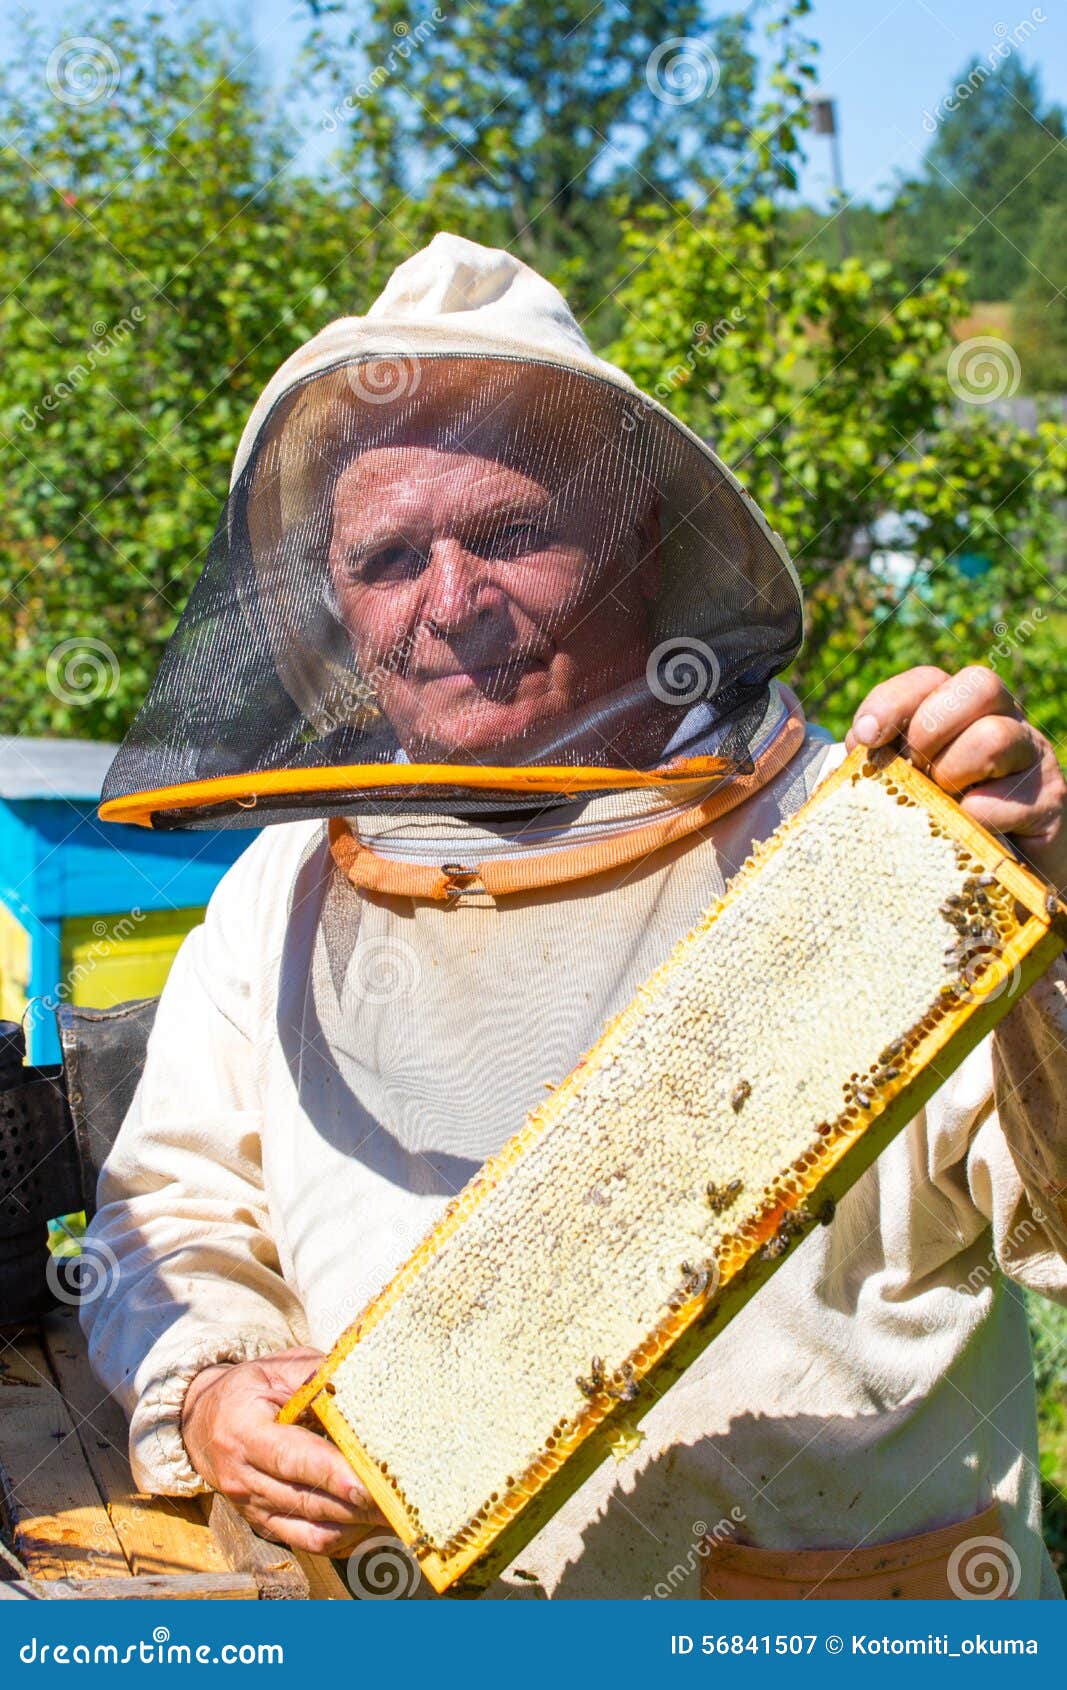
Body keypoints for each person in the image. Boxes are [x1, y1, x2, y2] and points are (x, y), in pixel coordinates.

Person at [83, 235, 1067, 1599]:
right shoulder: (283, 890)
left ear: (640, 555)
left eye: (512, 533)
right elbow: (171, 1211)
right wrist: (210, 1387)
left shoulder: (873, 851)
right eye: (386, 557)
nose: (450, 603)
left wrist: (1043, 920)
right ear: (335, 608)